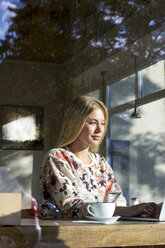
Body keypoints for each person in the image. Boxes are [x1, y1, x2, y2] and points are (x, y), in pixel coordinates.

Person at [39, 95, 161, 219]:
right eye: (92, 122)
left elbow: (118, 203)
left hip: (104, 233)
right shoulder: (57, 158)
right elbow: (71, 208)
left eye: (102, 123)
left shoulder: (100, 163)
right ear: (75, 123)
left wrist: (142, 210)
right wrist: (126, 211)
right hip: (69, 234)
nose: (100, 129)